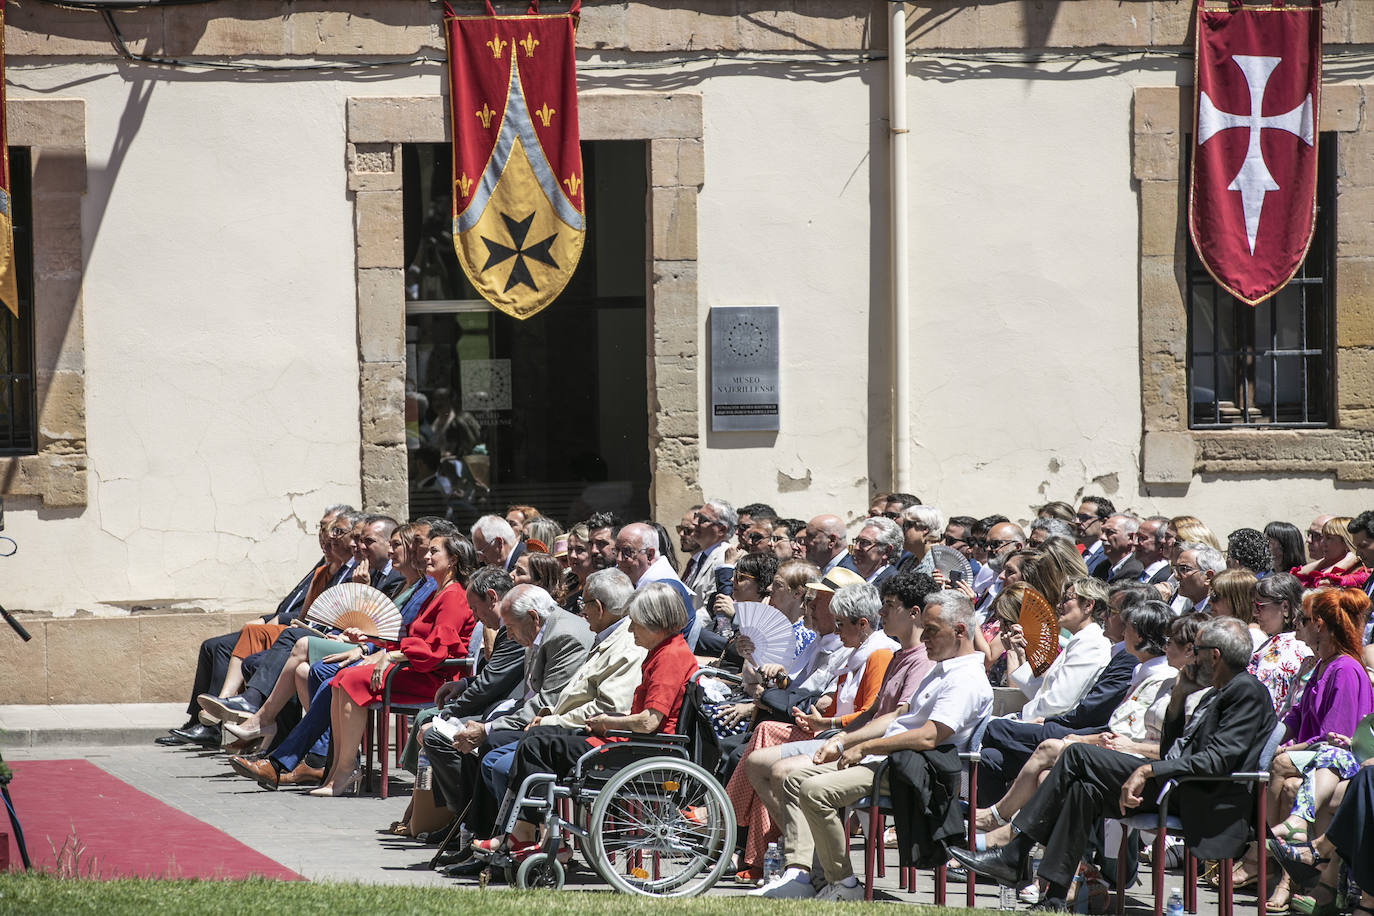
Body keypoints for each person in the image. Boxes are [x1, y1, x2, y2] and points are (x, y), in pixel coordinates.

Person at [952, 617, 1278, 911]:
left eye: (1199, 650)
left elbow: (1218, 760)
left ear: (1215, 656)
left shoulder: (1247, 691)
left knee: (1076, 754)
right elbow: (1173, 749)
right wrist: (1179, 699)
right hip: (1178, 784)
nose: (1193, 656)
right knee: (1084, 789)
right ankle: (1053, 898)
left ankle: (1014, 850)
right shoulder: (1214, 692)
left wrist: (1148, 769)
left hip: (1204, 795)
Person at [750, 590, 992, 901]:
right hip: (890, 760)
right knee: (795, 779)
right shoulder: (941, 668)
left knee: (814, 791)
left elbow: (930, 737)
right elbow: (896, 716)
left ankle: (844, 885)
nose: (925, 637)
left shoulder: (966, 679)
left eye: (932, 630)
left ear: (960, 630)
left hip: (912, 771)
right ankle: (802, 873)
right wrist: (844, 742)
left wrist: (866, 748)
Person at [726, 572, 936, 884]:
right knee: (759, 756)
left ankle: (798, 863)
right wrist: (830, 727)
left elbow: (888, 717)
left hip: (880, 754)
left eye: (890, 606)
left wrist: (839, 735)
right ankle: (798, 855)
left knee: (778, 757)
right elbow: (868, 711)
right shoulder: (887, 654)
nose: (883, 613)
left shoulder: (887, 653)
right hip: (850, 741)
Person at [231, 531, 479, 795]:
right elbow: (409, 638)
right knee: (336, 678)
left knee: (347, 679)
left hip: (434, 679)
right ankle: (330, 768)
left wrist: (390, 655)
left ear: (453, 560)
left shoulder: (453, 595)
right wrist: (371, 641)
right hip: (414, 668)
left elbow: (437, 649)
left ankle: (330, 768)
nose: (426, 556)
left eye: (434, 552)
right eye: (426, 550)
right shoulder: (437, 592)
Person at [472, 582, 698, 860]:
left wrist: (607, 722)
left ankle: (528, 832)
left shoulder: (671, 657)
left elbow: (649, 722)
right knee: (536, 738)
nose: (630, 629)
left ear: (656, 623)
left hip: (642, 749)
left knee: (537, 745)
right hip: (632, 742)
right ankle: (527, 831)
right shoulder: (662, 651)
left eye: (636, 623)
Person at [975, 601, 1179, 831]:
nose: (1122, 629)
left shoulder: (1158, 676)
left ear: (1141, 637)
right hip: (1100, 742)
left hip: (1131, 762)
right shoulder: (1139, 669)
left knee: (1033, 749)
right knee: (991, 757)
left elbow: (1117, 732)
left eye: (1129, 626)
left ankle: (1002, 828)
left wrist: (1076, 738)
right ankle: (994, 836)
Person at [1267, 588, 1374, 846]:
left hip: (1339, 757)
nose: (1296, 624)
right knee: (1269, 760)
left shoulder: (1345, 669)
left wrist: (1285, 749)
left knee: (1281, 765)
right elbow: (1297, 715)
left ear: (1320, 625)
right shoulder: (1323, 664)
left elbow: (1332, 735)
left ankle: (1264, 850)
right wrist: (1271, 740)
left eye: (1303, 619)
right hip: (1315, 754)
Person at [1007, 576, 1113, 721]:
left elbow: (1058, 701)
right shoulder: (1081, 640)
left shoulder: (1091, 643)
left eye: (1066, 599)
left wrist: (1018, 717)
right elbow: (1046, 693)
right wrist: (1021, 655)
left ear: (1088, 605)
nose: (1058, 605)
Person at [1248, 572, 1315, 714]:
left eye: (1260, 606)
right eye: (1253, 605)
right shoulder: (1287, 642)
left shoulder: (1287, 646)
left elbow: (1268, 702)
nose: (1254, 613)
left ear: (1285, 607)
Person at [848, 516, 901, 586]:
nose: (856, 548)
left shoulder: (892, 585)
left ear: (886, 551)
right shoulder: (855, 580)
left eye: (865, 542)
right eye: (857, 541)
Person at [1095, 515, 1143, 583]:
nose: (1102, 537)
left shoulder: (1134, 571)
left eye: (1110, 532)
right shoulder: (1102, 568)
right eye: (1103, 531)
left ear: (1131, 538)